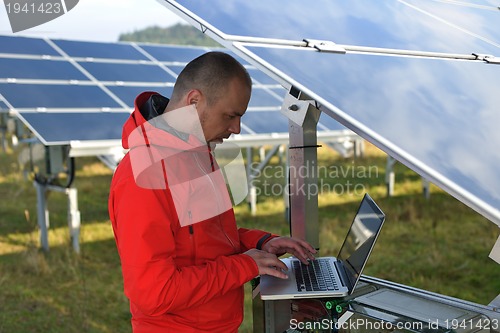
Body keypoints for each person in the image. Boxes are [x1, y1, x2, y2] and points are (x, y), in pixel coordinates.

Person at [108, 51, 317, 333]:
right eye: (230, 116)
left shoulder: (197, 151)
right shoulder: (142, 177)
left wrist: (262, 242)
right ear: (194, 102)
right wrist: (245, 266)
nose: (237, 129)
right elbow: (154, 294)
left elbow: (210, 238)